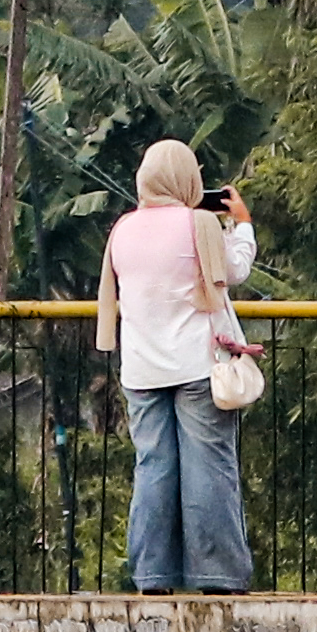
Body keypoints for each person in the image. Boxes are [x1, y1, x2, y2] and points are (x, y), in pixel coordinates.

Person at [99, 140, 258, 595]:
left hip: (141, 370)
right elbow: (235, 270)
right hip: (197, 367)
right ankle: (217, 575)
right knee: (209, 467)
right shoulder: (200, 224)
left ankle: (152, 575)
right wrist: (242, 224)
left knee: (153, 468)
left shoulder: (122, 230)